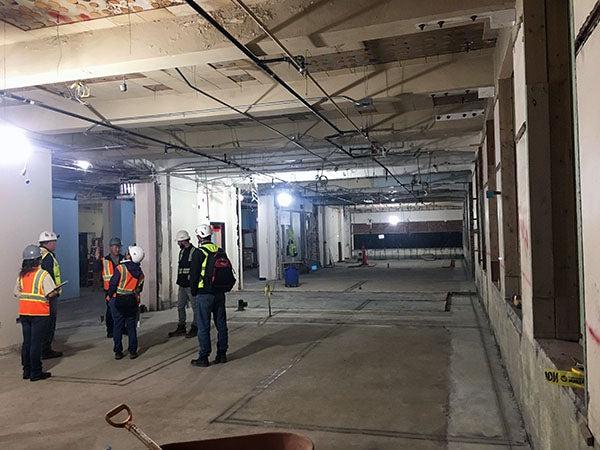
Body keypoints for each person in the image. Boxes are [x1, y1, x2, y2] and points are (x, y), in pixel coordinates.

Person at [14, 245, 58, 381]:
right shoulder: (43, 274)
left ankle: (26, 371)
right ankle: (36, 372)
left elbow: (16, 293)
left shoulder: (22, 275)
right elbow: (50, 293)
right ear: (38, 260)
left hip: (24, 313)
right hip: (39, 313)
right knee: (36, 343)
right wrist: (56, 291)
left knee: (27, 342)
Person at [189, 224, 229, 367]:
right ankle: (222, 354)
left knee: (203, 326)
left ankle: (204, 357)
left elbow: (193, 275)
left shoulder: (198, 253)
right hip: (219, 293)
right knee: (221, 324)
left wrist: (194, 291)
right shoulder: (220, 250)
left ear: (200, 236)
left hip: (204, 294)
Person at [106, 246, 145, 360]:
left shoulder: (120, 268)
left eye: (128, 253)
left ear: (130, 256)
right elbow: (139, 288)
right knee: (131, 326)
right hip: (132, 301)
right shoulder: (140, 273)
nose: (125, 254)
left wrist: (109, 296)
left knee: (118, 325)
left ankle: (118, 351)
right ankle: (133, 351)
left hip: (118, 299)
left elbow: (113, 284)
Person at [168, 230, 200, 339]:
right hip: (182, 284)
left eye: (179, 242)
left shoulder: (194, 252)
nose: (178, 244)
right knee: (180, 306)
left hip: (190, 285)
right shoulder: (181, 252)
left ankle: (195, 327)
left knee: (195, 307)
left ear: (183, 241)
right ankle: (181, 326)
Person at [38, 230, 63, 359]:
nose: (55, 244)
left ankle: (41, 348)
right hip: (50, 294)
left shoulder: (37, 254)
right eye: (54, 242)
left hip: (38, 296)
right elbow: (48, 276)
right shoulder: (48, 257)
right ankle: (46, 350)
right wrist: (53, 291)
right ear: (48, 243)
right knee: (49, 323)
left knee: (41, 324)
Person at [101, 237, 125, 338]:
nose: (117, 249)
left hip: (121, 289)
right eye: (115, 247)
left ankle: (123, 329)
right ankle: (110, 330)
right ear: (110, 248)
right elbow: (97, 270)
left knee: (122, 310)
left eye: (118, 247)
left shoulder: (123, 259)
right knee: (110, 311)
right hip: (109, 290)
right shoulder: (104, 260)